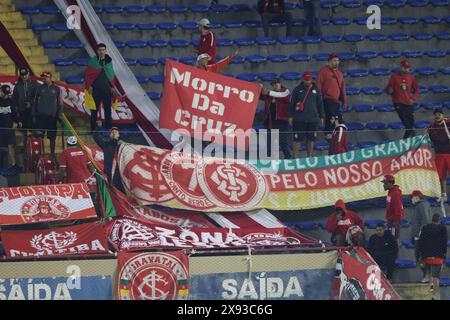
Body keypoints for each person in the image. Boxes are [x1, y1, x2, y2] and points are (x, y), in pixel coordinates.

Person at [288, 72, 324, 158]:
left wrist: (322, 116)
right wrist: (290, 116)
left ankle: (309, 158)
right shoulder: (297, 89)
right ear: (303, 79)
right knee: (297, 139)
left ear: (311, 79)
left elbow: (320, 104)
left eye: (309, 80)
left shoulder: (316, 90)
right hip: (299, 119)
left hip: (312, 119)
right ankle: (294, 158)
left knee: (311, 139)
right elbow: (292, 103)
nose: (308, 81)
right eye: (306, 80)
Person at [85, 43, 118, 131]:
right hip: (95, 90)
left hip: (107, 90)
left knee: (108, 110)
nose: (102, 52)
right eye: (100, 50)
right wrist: (90, 86)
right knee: (94, 110)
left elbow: (111, 75)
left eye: (103, 50)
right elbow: (89, 75)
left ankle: (108, 129)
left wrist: (112, 87)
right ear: (97, 51)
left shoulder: (109, 61)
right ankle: (94, 129)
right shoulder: (93, 61)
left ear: (105, 50)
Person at [386, 60, 419, 139]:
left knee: (411, 124)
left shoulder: (411, 77)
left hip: (408, 104)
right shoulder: (394, 76)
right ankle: (411, 141)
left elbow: (416, 90)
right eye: (404, 67)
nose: (406, 69)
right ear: (401, 67)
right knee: (407, 125)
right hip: (398, 103)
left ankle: (405, 141)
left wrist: (413, 98)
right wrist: (390, 90)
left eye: (408, 68)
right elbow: (388, 89)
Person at [316, 53, 347, 138]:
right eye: (334, 61)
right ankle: (329, 133)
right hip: (327, 99)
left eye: (337, 61)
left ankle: (333, 134)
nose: (336, 62)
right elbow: (318, 85)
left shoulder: (340, 73)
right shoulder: (323, 71)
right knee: (334, 117)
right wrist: (319, 99)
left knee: (334, 117)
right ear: (329, 61)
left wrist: (344, 101)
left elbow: (342, 88)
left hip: (336, 100)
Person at [418, 214, 448, 299]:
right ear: (439, 220)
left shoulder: (425, 228)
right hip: (438, 256)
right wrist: (444, 254)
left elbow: (421, 242)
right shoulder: (443, 228)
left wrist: (421, 254)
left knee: (429, 273)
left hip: (427, 256)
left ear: (432, 219)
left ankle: (430, 288)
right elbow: (444, 243)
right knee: (436, 277)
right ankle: (434, 295)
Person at [261, 77, 291, 159]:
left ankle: (288, 159)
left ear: (280, 84)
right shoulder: (270, 94)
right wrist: (259, 88)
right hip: (270, 122)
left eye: (277, 83)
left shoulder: (285, 92)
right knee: (268, 143)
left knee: (283, 143)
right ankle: (268, 160)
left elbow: (282, 96)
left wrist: (268, 92)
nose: (276, 85)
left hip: (281, 122)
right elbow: (260, 96)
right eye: (274, 84)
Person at [33, 72, 62, 156]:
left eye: (46, 77)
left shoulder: (57, 89)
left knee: (52, 138)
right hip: (40, 117)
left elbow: (60, 104)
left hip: (52, 118)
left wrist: (58, 116)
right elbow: (34, 102)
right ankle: (40, 154)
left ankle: (52, 154)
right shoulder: (39, 88)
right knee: (39, 137)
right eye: (43, 77)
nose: (44, 79)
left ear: (50, 77)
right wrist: (34, 114)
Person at [427, 108, 450, 206]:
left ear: (443, 115)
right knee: (441, 176)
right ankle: (444, 194)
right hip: (439, 154)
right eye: (435, 114)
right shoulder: (431, 127)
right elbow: (427, 139)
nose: (437, 116)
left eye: (439, 114)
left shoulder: (448, 123)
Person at [93, 126, 125, 193]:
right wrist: (98, 127)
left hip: (120, 174)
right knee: (111, 193)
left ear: (119, 135)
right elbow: (96, 137)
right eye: (112, 132)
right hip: (109, 174)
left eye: (115, 132)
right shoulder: (106, 145)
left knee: (122, 193)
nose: (113, 133)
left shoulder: (123, 146)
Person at [12, 67, 38, 144]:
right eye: (22, 75)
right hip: (22, 111)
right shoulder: (18, 85)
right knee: (24, 131)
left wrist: (31, 103)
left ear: (28, 73)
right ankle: (25, 147)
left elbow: (37, 97)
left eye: (25, 74)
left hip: (32, 111)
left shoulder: (34, 84)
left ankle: (33, 146)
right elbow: (14, 99)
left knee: (32, 130)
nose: (24, 76)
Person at [410, 190, 432, 282]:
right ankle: (426, 275)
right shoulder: (418, 206)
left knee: (422, 256)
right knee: (419, 256)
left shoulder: (422, 205)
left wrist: (421, 234)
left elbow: (426, 220)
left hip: (421, 236)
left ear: (417, 197)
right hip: (418, 236)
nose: (411, 199)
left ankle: (427, 275)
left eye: (412, 197)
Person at [0, 85, 21, 168]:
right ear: (0, 91)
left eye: (7, 94)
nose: (6, 95)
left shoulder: (11, 101)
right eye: (4, 93)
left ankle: (12, 164)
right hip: (0, 128)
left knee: (11, 146)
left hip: (9, 128)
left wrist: (18, 121)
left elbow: (14, 113)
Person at [382, 174, 405, 240]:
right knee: (391, 239)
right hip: (390, 221)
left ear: (390, 183)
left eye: (385, 183)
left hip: (394, 222)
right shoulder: (390, 192)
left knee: (393, 240)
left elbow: (398, 209)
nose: (384, 185)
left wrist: (395, 222)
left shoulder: (395, 193)